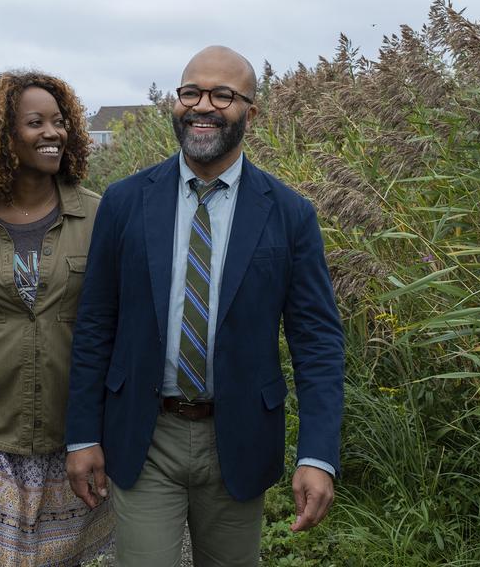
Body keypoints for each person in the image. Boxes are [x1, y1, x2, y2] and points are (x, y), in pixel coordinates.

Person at [64, 45, 345, 566]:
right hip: (145, 434)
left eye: (223, 94)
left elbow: (317, 342)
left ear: (250, 113)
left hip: (238, 437)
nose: (203, 106)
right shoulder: (125, 201)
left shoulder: (288, 214)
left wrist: (317, 454)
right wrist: (81, 434)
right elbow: (96, 324)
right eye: (191, 91)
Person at [0, 71, 114, 567]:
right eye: (35, 122)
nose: (52, 132)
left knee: (56, 560)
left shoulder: (101, 217)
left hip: (68, 430)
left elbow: (111, 325)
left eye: (59, 122)